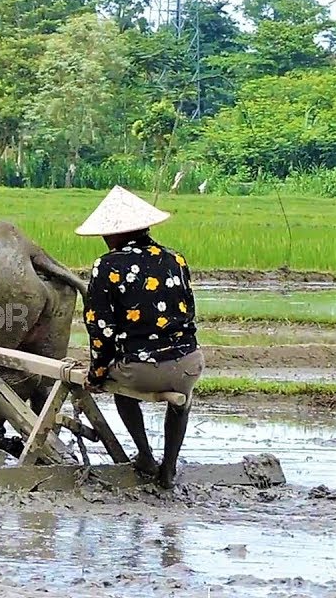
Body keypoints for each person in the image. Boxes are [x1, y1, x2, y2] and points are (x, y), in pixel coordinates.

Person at [76, 185, 203, 489]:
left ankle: (145, 455)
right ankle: (169, 468)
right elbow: (188, 313)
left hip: (140, 371)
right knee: (182, 401)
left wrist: (97, 372)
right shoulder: (177, 260)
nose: (105, 240)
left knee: (121, 388)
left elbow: (101, 328)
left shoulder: (107, 266)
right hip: (188, 363)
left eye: (107, 234)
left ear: (117, 234)